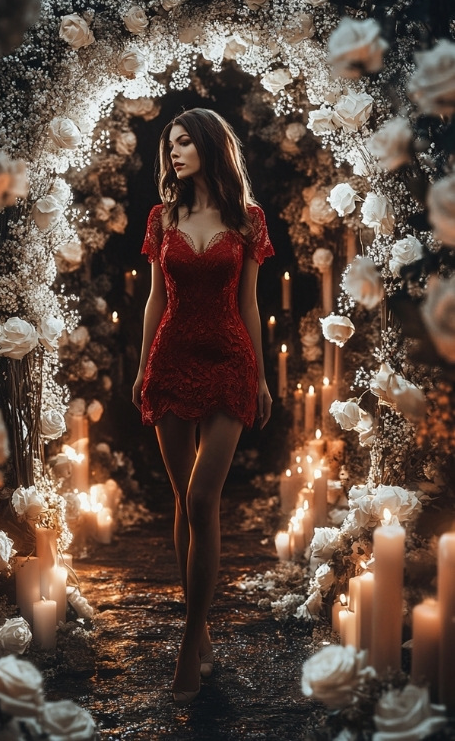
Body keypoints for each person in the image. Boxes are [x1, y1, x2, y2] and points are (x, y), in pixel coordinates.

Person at [132, 107, 274, 705]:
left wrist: (262, 379)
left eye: (185, 141)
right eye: (169, 144)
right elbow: (155, 299)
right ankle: (204, 624)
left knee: (202, 497)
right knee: (181, 500)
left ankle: (192, 637)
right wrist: (143, 368)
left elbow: (249, 304)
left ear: (211, 146)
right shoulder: (163, 216)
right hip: (170, 361)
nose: (174, 152)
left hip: (229, 362)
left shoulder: (247, 218)